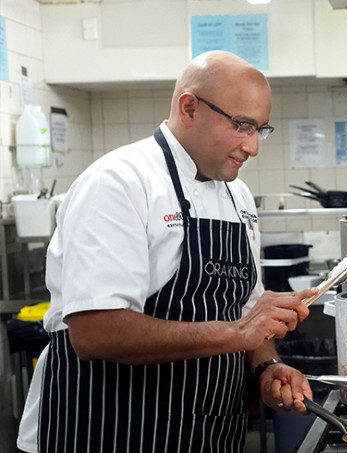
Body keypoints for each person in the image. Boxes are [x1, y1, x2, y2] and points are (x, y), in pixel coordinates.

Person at [17, 50, 316, 452]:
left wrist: (267, 366)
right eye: (242, 125)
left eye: (260, 129)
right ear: (189, 107)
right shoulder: (119, 182)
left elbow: (247, 310)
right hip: (107, 432)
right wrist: (236, 333)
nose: (253, 147)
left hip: (205, 434)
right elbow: (95, 333)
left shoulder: (238, 195)